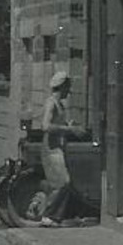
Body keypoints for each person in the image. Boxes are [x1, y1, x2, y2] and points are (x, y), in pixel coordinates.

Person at [37, 70, 83, 226]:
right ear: (62, 87)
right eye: (67, 87)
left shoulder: (60, 105)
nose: (69, 91)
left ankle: (57, 216)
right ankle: (48, 216)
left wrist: (68, 126)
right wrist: (69, 130)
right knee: (63, 182)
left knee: (64, 183)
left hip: (58, 148)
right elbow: (45, 126)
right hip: (51, 149)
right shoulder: (51, 103)